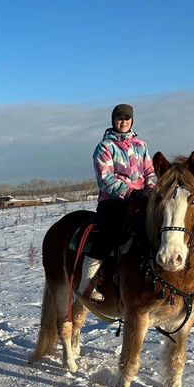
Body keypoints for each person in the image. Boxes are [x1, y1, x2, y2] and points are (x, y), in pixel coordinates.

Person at [79, 103, 156, 301]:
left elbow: (150, 171)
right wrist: (129, 193)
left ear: (132, 121)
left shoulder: (141, 145)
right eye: (119, 118)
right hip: (113, 201)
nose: (123, 122)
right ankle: (87, 283)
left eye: (127, 118)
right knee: (108, 234)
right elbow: (105, 179)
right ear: (113, 121)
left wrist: (150, 189)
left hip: (141, 199)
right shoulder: (104, 147)